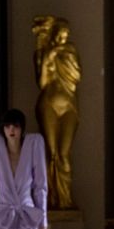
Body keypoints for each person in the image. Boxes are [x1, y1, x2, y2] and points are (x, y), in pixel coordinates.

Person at [32, 15, 81, 209]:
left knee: (64, 153)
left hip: (68, 105)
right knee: (51, 153)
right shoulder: (43, 54)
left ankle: (65, 199)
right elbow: (43, 83)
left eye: (66, 35)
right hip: (48, 104)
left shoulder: (70, 51)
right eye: (61, 35)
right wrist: (49, 57)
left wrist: (60, 55)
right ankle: (52, 200)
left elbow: (76, 77)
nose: (63, 39)